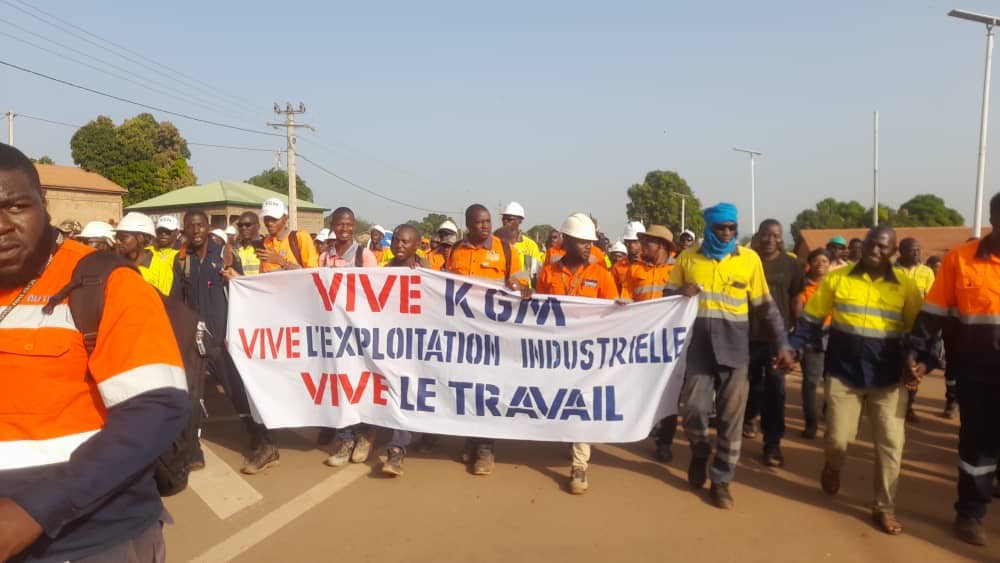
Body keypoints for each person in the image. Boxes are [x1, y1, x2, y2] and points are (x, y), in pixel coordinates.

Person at [0, 143, 188, 562]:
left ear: (43, 204)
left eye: (16, 207)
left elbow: (156, 408)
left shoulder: (104, 283)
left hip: (90, 542)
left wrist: (32, 511)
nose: (1, 226)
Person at [790, 226, 923, 536]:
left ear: (893, 252)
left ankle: (884, 507)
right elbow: (810, 319)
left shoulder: (906, 285)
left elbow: (916, 332)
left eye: (884, 247)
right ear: (863, 245)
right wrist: (793, 347)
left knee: (891, 445)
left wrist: (915, 361)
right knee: (838, 440)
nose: (876, 250)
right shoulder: (837, 278)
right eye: (872, 244)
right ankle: (833, 465)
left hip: (888, 379)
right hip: (844, 374)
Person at [667, 203, 795, 509]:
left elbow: (766, 306)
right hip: (698, 349)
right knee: (692, 410)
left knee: (731, 419)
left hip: (736, 350)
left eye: (731, 228)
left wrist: (782, 343)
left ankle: (722, 479)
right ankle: (700, 449)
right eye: (721, 228)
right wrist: (680, 292)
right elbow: (666, 296)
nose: (726, 233)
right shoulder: (688, 258)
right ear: (709, 228)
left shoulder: (749, 259)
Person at [908, 194, 1000, 545]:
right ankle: (970, 514)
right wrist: (916, 352)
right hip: (978, 373)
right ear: (993, 218)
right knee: (978, 446)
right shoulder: (960, 260)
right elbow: (933, 313)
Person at [172, 211, 276, 477]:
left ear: (208, 227)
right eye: (191, 226)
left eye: (200, 225)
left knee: (238, 393)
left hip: (223, 340)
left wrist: (235, 279)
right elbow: (177, 300)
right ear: (184, 229)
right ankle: (193, 452)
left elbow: (244, 291)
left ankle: (265, 444)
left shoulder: (225, 254)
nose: (196, 230)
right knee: (191, 397)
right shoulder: (181, 260)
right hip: (195, 340)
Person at [536, 213, 618, 494]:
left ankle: (579, 465)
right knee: (559, 399)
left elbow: (613, 312)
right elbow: (538, 311)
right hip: (555, 350)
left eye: (590, 242)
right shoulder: (548, 273)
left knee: (582, 403)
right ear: (567, 241)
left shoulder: (601, 275)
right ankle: (565, 435)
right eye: (583, 241)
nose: (588, 247)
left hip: (587, 353)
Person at [446, 203, 531, 475]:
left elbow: (523, 284)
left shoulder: (506, 250)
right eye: (479, 222)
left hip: (493, 333)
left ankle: (485, 448)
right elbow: (444, 286)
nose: (485, 226)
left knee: (487, 387)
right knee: (468, 386)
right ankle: (472, 440)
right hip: (463, 331)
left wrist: (520, 287)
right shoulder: (456, 250)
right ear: (468, 224)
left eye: (487, 221)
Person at [743, 219, 805, 467]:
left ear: (781, 238)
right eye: (766, 235)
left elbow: (796, 299)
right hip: (746, 335)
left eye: (776, 235)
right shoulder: (747, 260)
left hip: (777, 339)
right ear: (758, 236)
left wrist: (796, 334)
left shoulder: (792, 264)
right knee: (749, 387)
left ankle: (772, 443)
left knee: (776, 391)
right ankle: (749, 417)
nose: (770, 239)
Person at [321, 207, 379, 467]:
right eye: (339, 224)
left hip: (360, 331)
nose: (344, 229)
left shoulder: (364, 256)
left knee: (362, 383)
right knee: (339, 384)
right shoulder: (324, 257)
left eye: (349, 224)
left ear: (354, 226)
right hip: (335, 330)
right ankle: (345, 439)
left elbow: (377, 292)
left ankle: (365, 434)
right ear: (332, 226)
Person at [619, 225, 678, 463]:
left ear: (662, 246)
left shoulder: (678, 270)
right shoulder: (634, 269)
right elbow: (626, 295)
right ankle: (642, 426)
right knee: (642, 387)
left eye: (648, 242)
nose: (642, 246)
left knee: (669, 391)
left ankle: (665, 441)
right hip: (641, 340)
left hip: (669, 342)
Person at [380, 224, 429, 477]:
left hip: (418, 343)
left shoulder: (428, 272)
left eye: (405, 241)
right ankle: (396, 446)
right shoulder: (381, 271)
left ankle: (400, 447)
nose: (399, 245)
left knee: (408, 392)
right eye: (396, 240)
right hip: (389, 342)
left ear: (417, 245)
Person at [895, 237, 935, 424]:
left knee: (913, 368)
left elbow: (932, 298)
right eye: (913, 250)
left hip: (918, 330)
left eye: (919, 249)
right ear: (901, 252)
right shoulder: (891, 271)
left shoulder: (927, 272)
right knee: (895, 367)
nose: (917, 253)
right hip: (893, 328)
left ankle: (909, 406)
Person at [799, 248, 833, 439]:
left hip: (835, 338)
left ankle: (828, 414)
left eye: (825, 261)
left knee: (833, 381)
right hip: (811, 338)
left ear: (830, 265)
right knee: (811, 381)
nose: (820, 264)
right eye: (817, 260)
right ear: (809, 263)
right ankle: (811, 422)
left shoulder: (835, 284)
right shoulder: (802, 286)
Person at [116, 212, 175, 297]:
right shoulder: (117, 265)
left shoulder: (162, 269)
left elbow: (163, 301)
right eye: (116, 237)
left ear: (140, 238)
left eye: (123, 237)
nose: (118, 241)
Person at [258, 198, 319, 273]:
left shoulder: (300, 237)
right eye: (266, 218)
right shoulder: (265, 242)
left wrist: (283, 262)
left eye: (274, 219)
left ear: (285, 218)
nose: (269, 223)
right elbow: (263, 274)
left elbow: (313, 272)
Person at [501, 201, 545, 284]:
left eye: (510, 219)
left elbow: (537, 275)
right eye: (504, 219)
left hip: (523, 290)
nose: (505, 222)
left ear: (520, 220)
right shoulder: (495, 243)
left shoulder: (530, 246)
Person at [612, 221, 644, 292]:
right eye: (628, 241)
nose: (631, 245)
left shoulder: (650, 265)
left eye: (635, 241)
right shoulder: (618, 267)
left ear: (642, 241)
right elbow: (613, 292)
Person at [152, 215, 182, 289]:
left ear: (177, 232)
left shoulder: (183, 254)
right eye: (160, 231)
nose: (163, 234)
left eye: (168, 231)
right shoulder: (147, 252)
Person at [233, 211, 263, 276]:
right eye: (240, 225)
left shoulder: (265, 246)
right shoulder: (235, 249)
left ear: (258, 226)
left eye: (248, 225)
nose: (243, 228)